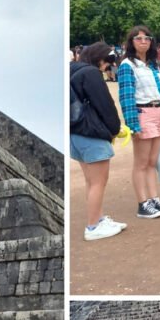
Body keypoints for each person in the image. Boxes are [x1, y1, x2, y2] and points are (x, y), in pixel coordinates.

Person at [117, 25, 160, 219]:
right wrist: (132, 124)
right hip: (143, 112)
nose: (143, 41)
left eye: (146, 38)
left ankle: (154, 199)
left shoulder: (152, 65)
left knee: (153, 162)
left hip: (159, 110)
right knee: (141, 163)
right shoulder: (127, 65)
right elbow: (126, 97)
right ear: (131, 42)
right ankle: (143, 203)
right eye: (138, 38)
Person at [70, 42, 127, 240]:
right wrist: (114, 129)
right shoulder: (91, 73)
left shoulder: (72, 70)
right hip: (92, 133)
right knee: (99, 182)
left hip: (75, 134)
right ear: (100, 59)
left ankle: (98, 218)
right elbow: (105, 105)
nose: (106, 67)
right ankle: (93, 226)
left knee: (91, 182)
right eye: (107, 63)